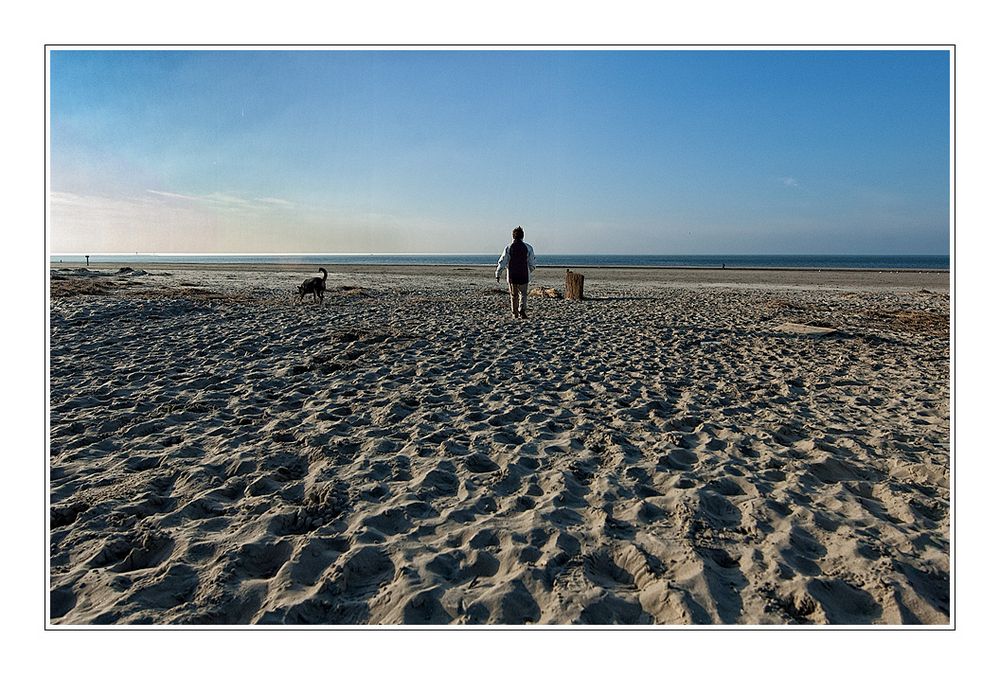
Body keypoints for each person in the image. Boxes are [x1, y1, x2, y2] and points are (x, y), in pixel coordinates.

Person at [495, 226, 537, 319]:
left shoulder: (509, 247)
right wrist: (529, 271)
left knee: (514, 295)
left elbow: (502, 261)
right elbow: (532, 263)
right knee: (523, 294)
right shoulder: (528, 247)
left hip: (512, 276)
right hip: (524, 275)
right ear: (523, 236)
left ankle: (515, 313)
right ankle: (522, 310)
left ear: (513, 236)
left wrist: (498, 273)